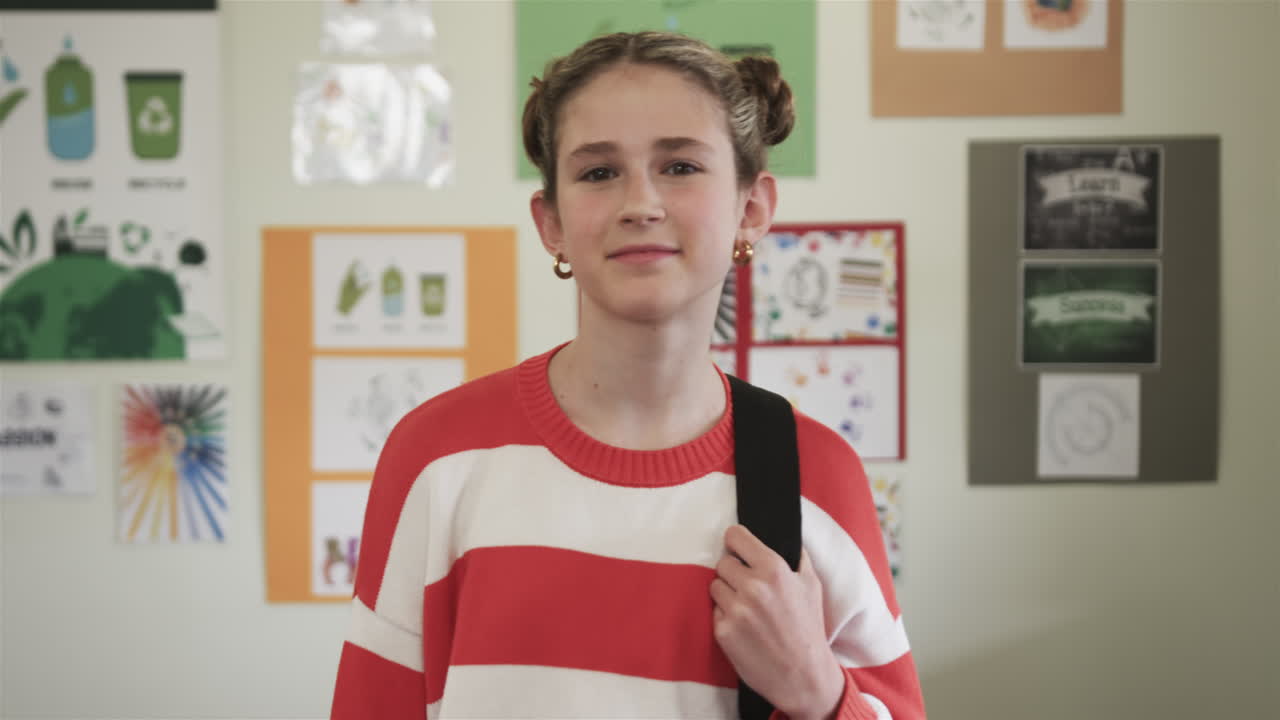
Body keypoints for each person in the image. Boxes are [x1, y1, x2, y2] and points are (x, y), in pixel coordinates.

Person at [330, 31, 926, 720]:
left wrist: (819, 692)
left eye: (679, 166)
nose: (640, 202)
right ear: (550, 222)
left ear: (752, 209)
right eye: (598, 173)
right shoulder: (438, 456)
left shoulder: (815, 475)